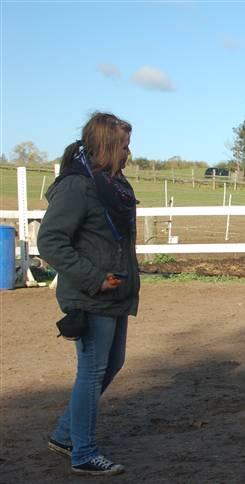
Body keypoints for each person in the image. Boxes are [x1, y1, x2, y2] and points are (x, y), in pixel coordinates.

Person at [38, 112, 140, 476]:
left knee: (111, 365)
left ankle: (66, 435)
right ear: (107, 147)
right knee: (92, 371)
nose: (129, 152)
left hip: (114, 294)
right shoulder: (77, 187)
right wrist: (94, 278)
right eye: (124, 146)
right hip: (91, 295)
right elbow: (49, 240)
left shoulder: (111, 184)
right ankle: (83, 452)